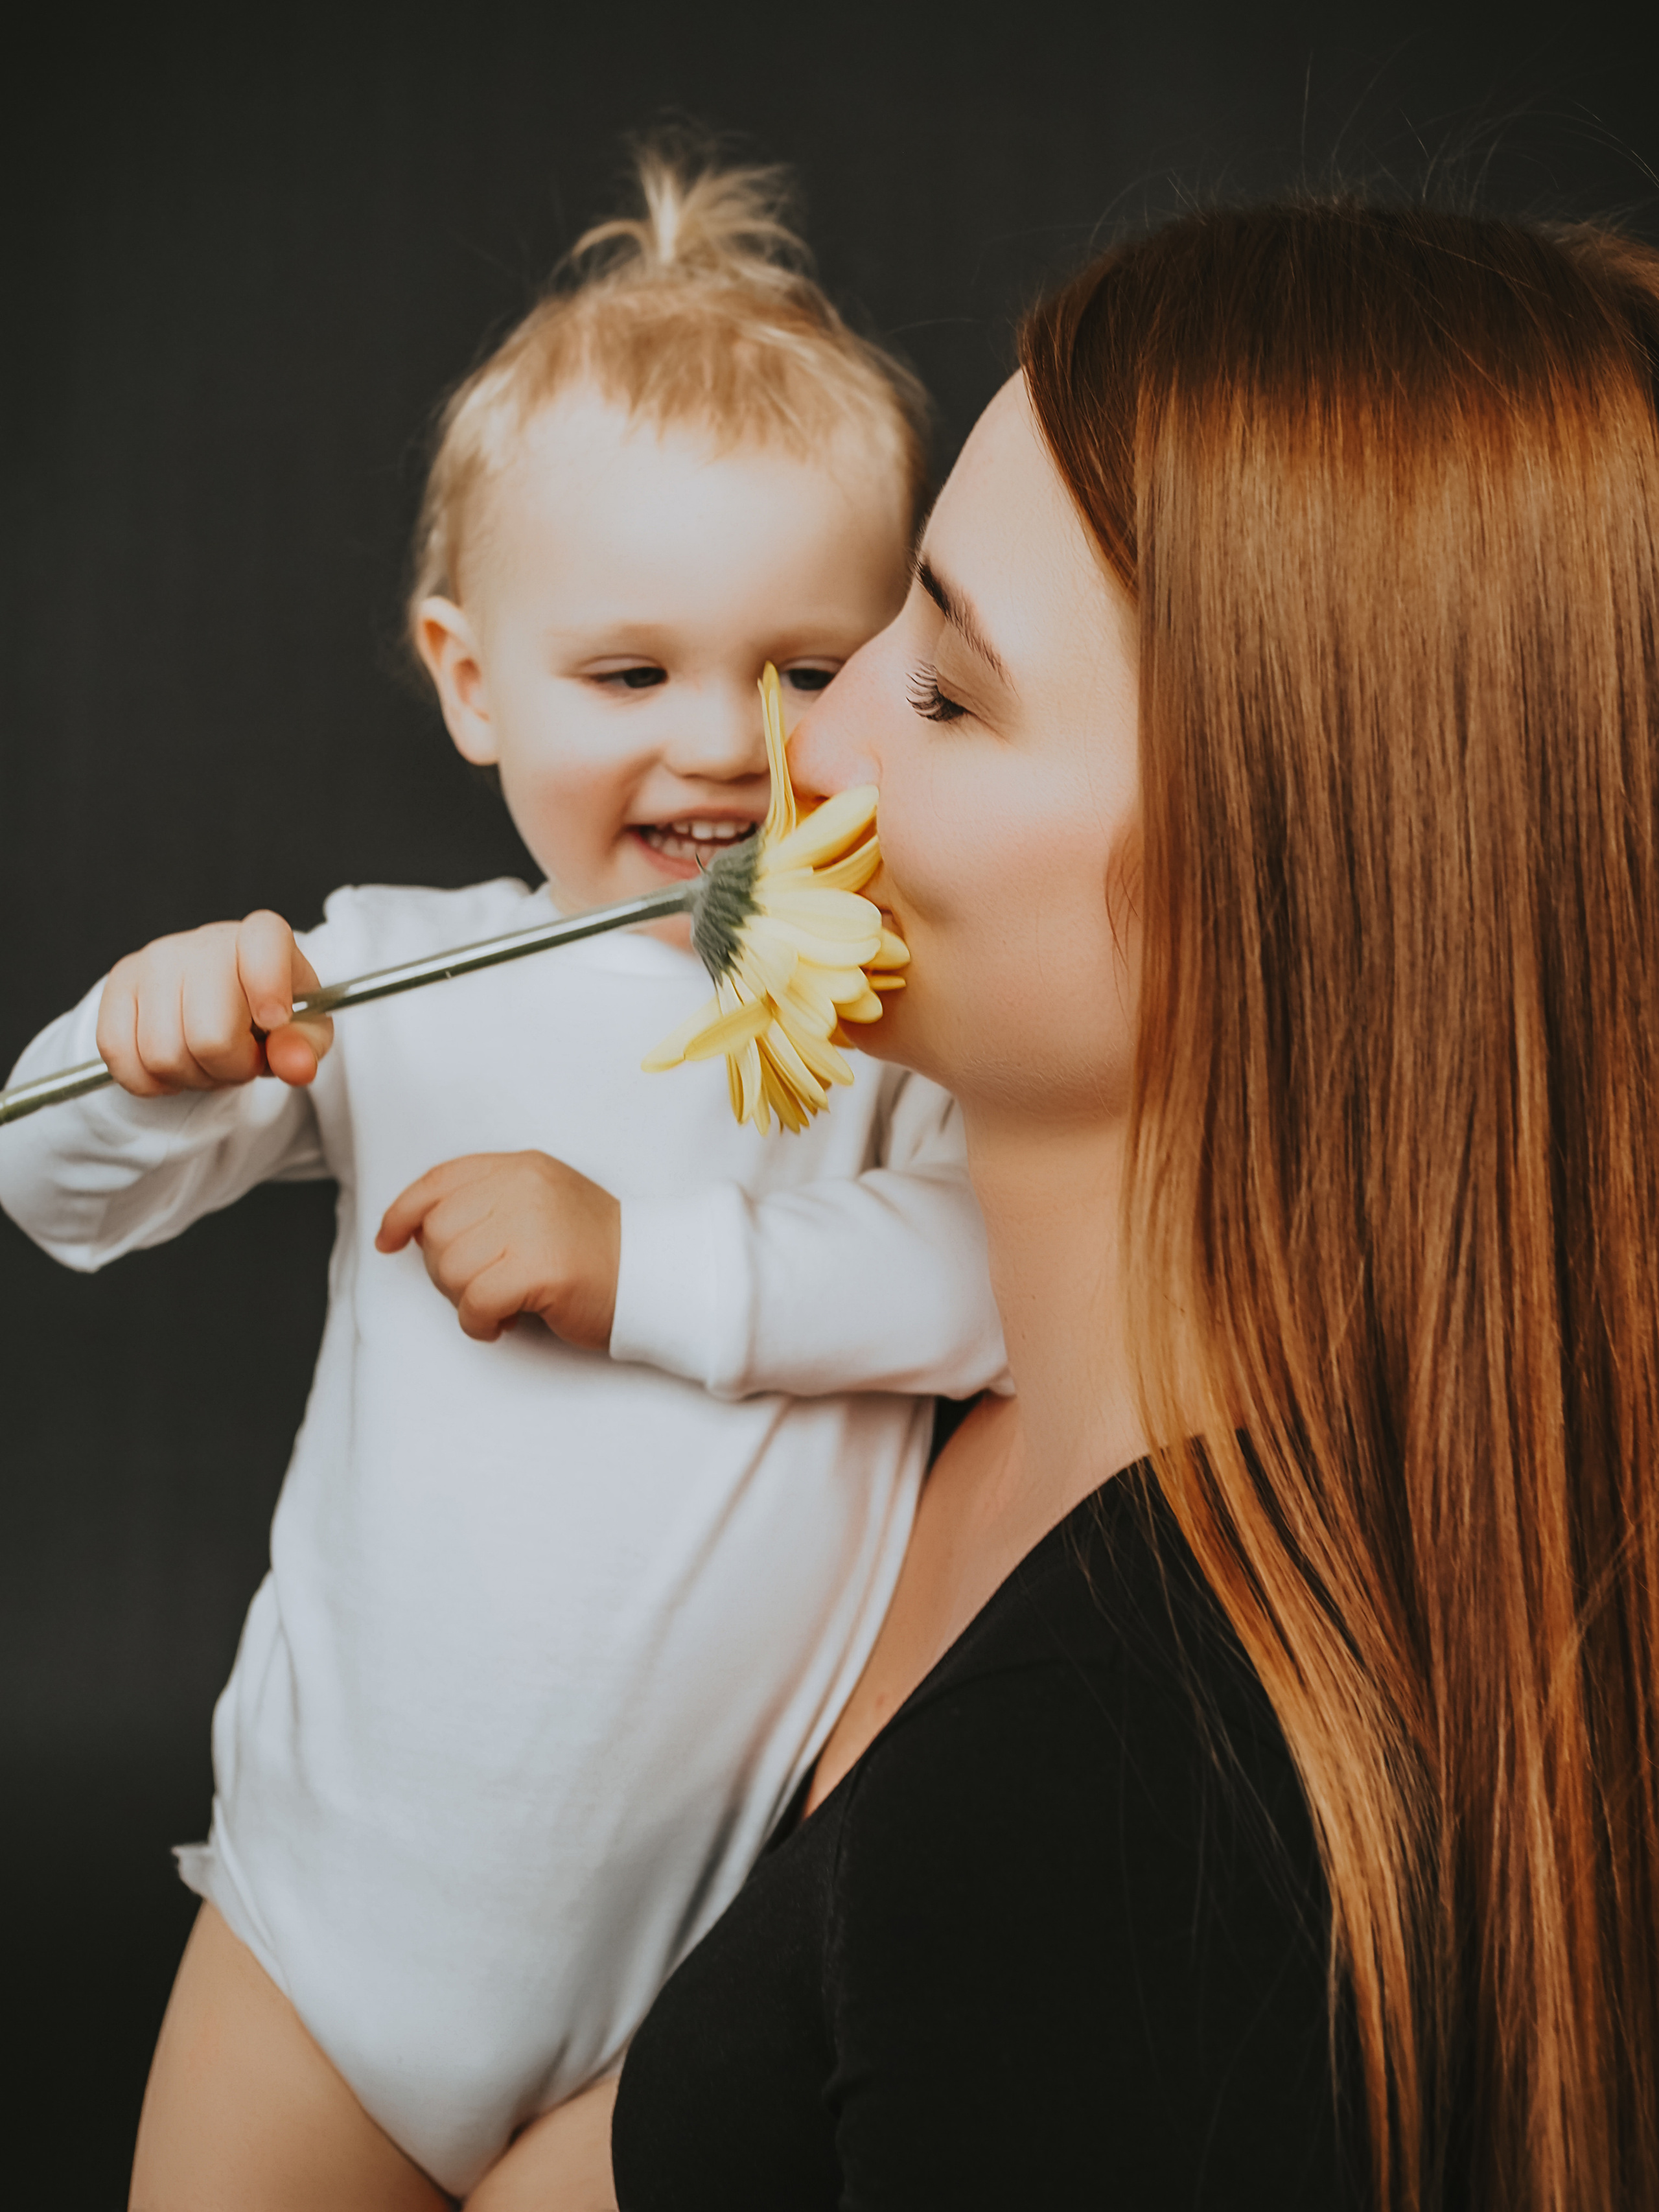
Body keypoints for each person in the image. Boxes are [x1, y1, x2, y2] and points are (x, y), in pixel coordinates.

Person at [602, 202, 1659, 2212]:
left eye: (947, 692)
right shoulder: (922, 1440)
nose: (804, 743)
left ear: (1302, 894)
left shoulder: (1121, 1814)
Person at [0, 151, 1007, 2209]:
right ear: (472, 682)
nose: (721, 745)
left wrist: (641, 1263)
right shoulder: (392, 973)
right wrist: (140, 1046)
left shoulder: (878, 1011)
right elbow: (55, 1185)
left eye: (805, 670)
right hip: (322, 1943)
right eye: (628, 675)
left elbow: (998, 1289)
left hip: (677, 2010)